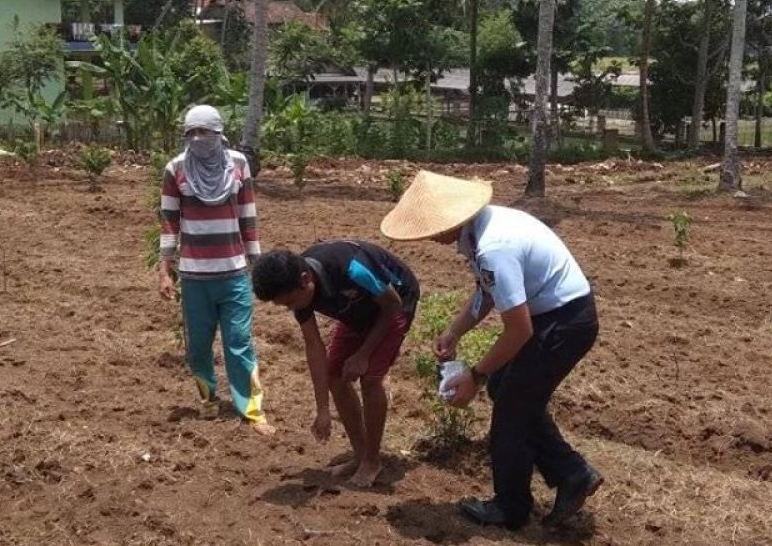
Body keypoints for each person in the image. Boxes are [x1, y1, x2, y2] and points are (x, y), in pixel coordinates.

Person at [380, 170, 601, 530]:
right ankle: (572, 473)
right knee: (509, 391)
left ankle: (511, 507)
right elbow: (488, 292)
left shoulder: (494, 246)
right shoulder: (483, 230)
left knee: (511, 407)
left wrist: (475, 376)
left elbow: (519, 329)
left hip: (564, 323)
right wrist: (455, 331)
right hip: (556, 316)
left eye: (434, 227)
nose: (433, 236)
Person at [252, 241, 419, 487]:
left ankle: (373, 462)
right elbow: (314, 345)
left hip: (394, 303)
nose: (290, 308)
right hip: (357, 312)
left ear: (305, 278)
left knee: (371, 378)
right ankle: (360, 455)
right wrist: (322, 410)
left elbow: (392, 304)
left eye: (289, 302)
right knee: (335, 375)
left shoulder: (351, 268)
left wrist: (363, 354)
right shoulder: (299, 291)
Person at [158, 104, 274, 436]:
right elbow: (169, 222)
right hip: (194, 275)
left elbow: (248, 217)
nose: (198, 139)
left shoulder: (238, 164)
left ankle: (251, 409)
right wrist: (165, 270)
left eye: (204, 132)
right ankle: (207, 399)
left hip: (234, 272)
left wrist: (257, 264)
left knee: (239, 343)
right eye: (191, 133)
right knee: (197, 346)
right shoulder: (176, 169)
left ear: (219, 133)